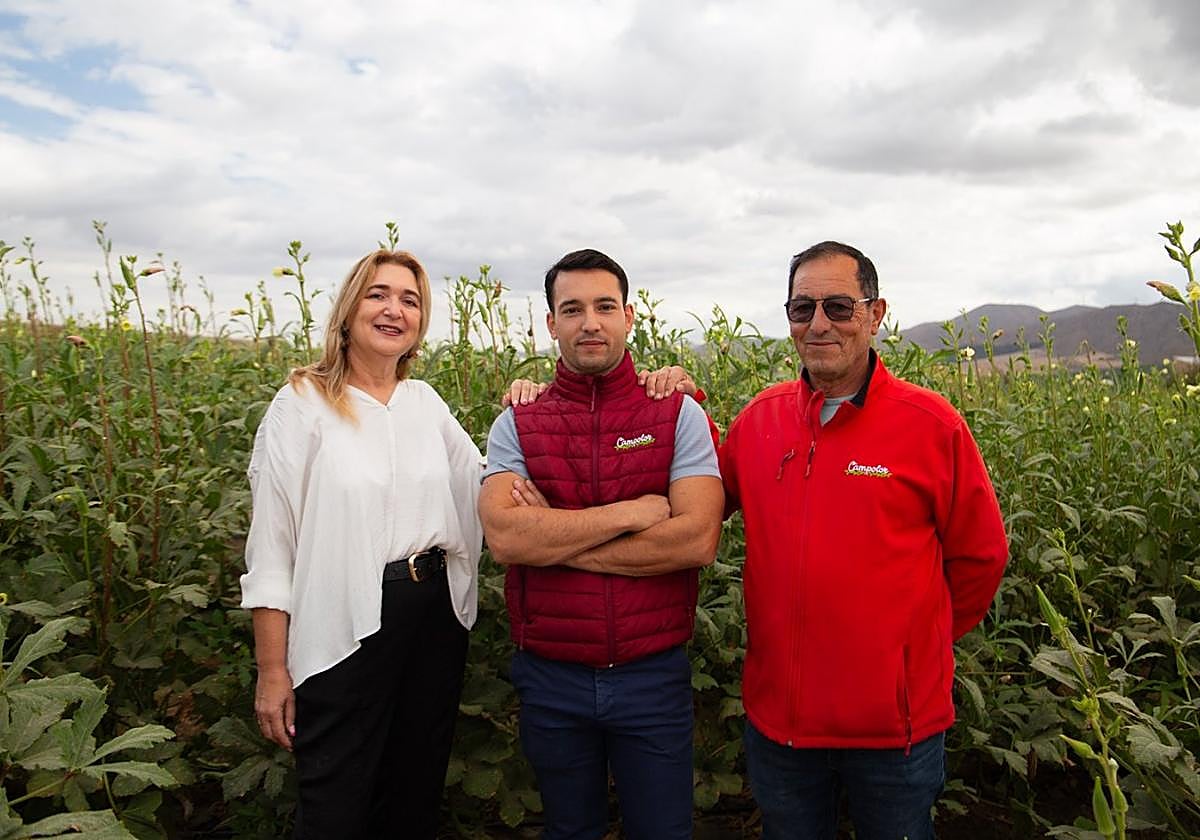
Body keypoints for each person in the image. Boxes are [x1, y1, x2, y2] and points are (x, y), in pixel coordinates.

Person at [720, 241, 1009, 839]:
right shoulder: (759, 421)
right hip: (782, 727)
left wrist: (911, 646)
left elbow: (981, 556)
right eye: (803, 309)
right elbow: (698, 504)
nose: (819, 323)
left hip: (894, 733)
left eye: (838, 307)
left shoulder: (930, 425)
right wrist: (672, 399)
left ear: (876, 316)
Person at [478, 248, 724, 840]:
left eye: (604, 306)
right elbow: (507, 537)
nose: (590, 321)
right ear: (551, 323)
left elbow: (695, 539)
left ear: (629, 317)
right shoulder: (518, 421)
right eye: (573, 308)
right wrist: (632, 513)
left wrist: (557, 541)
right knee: (569, 830)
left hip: (652, 674)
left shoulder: (675, 412)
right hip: (551, 675)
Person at [239, 249, 484, 839]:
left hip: (432, 617)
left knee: (414, 795)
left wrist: (530, 405)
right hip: (343, 622)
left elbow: (487, 480)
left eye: (410, 299)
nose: (394, 309)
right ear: (348, 310)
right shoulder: (301, 405)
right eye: (378, 294)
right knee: (336, 806)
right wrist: (273, 668)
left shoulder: (424, 403)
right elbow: (272, 547)